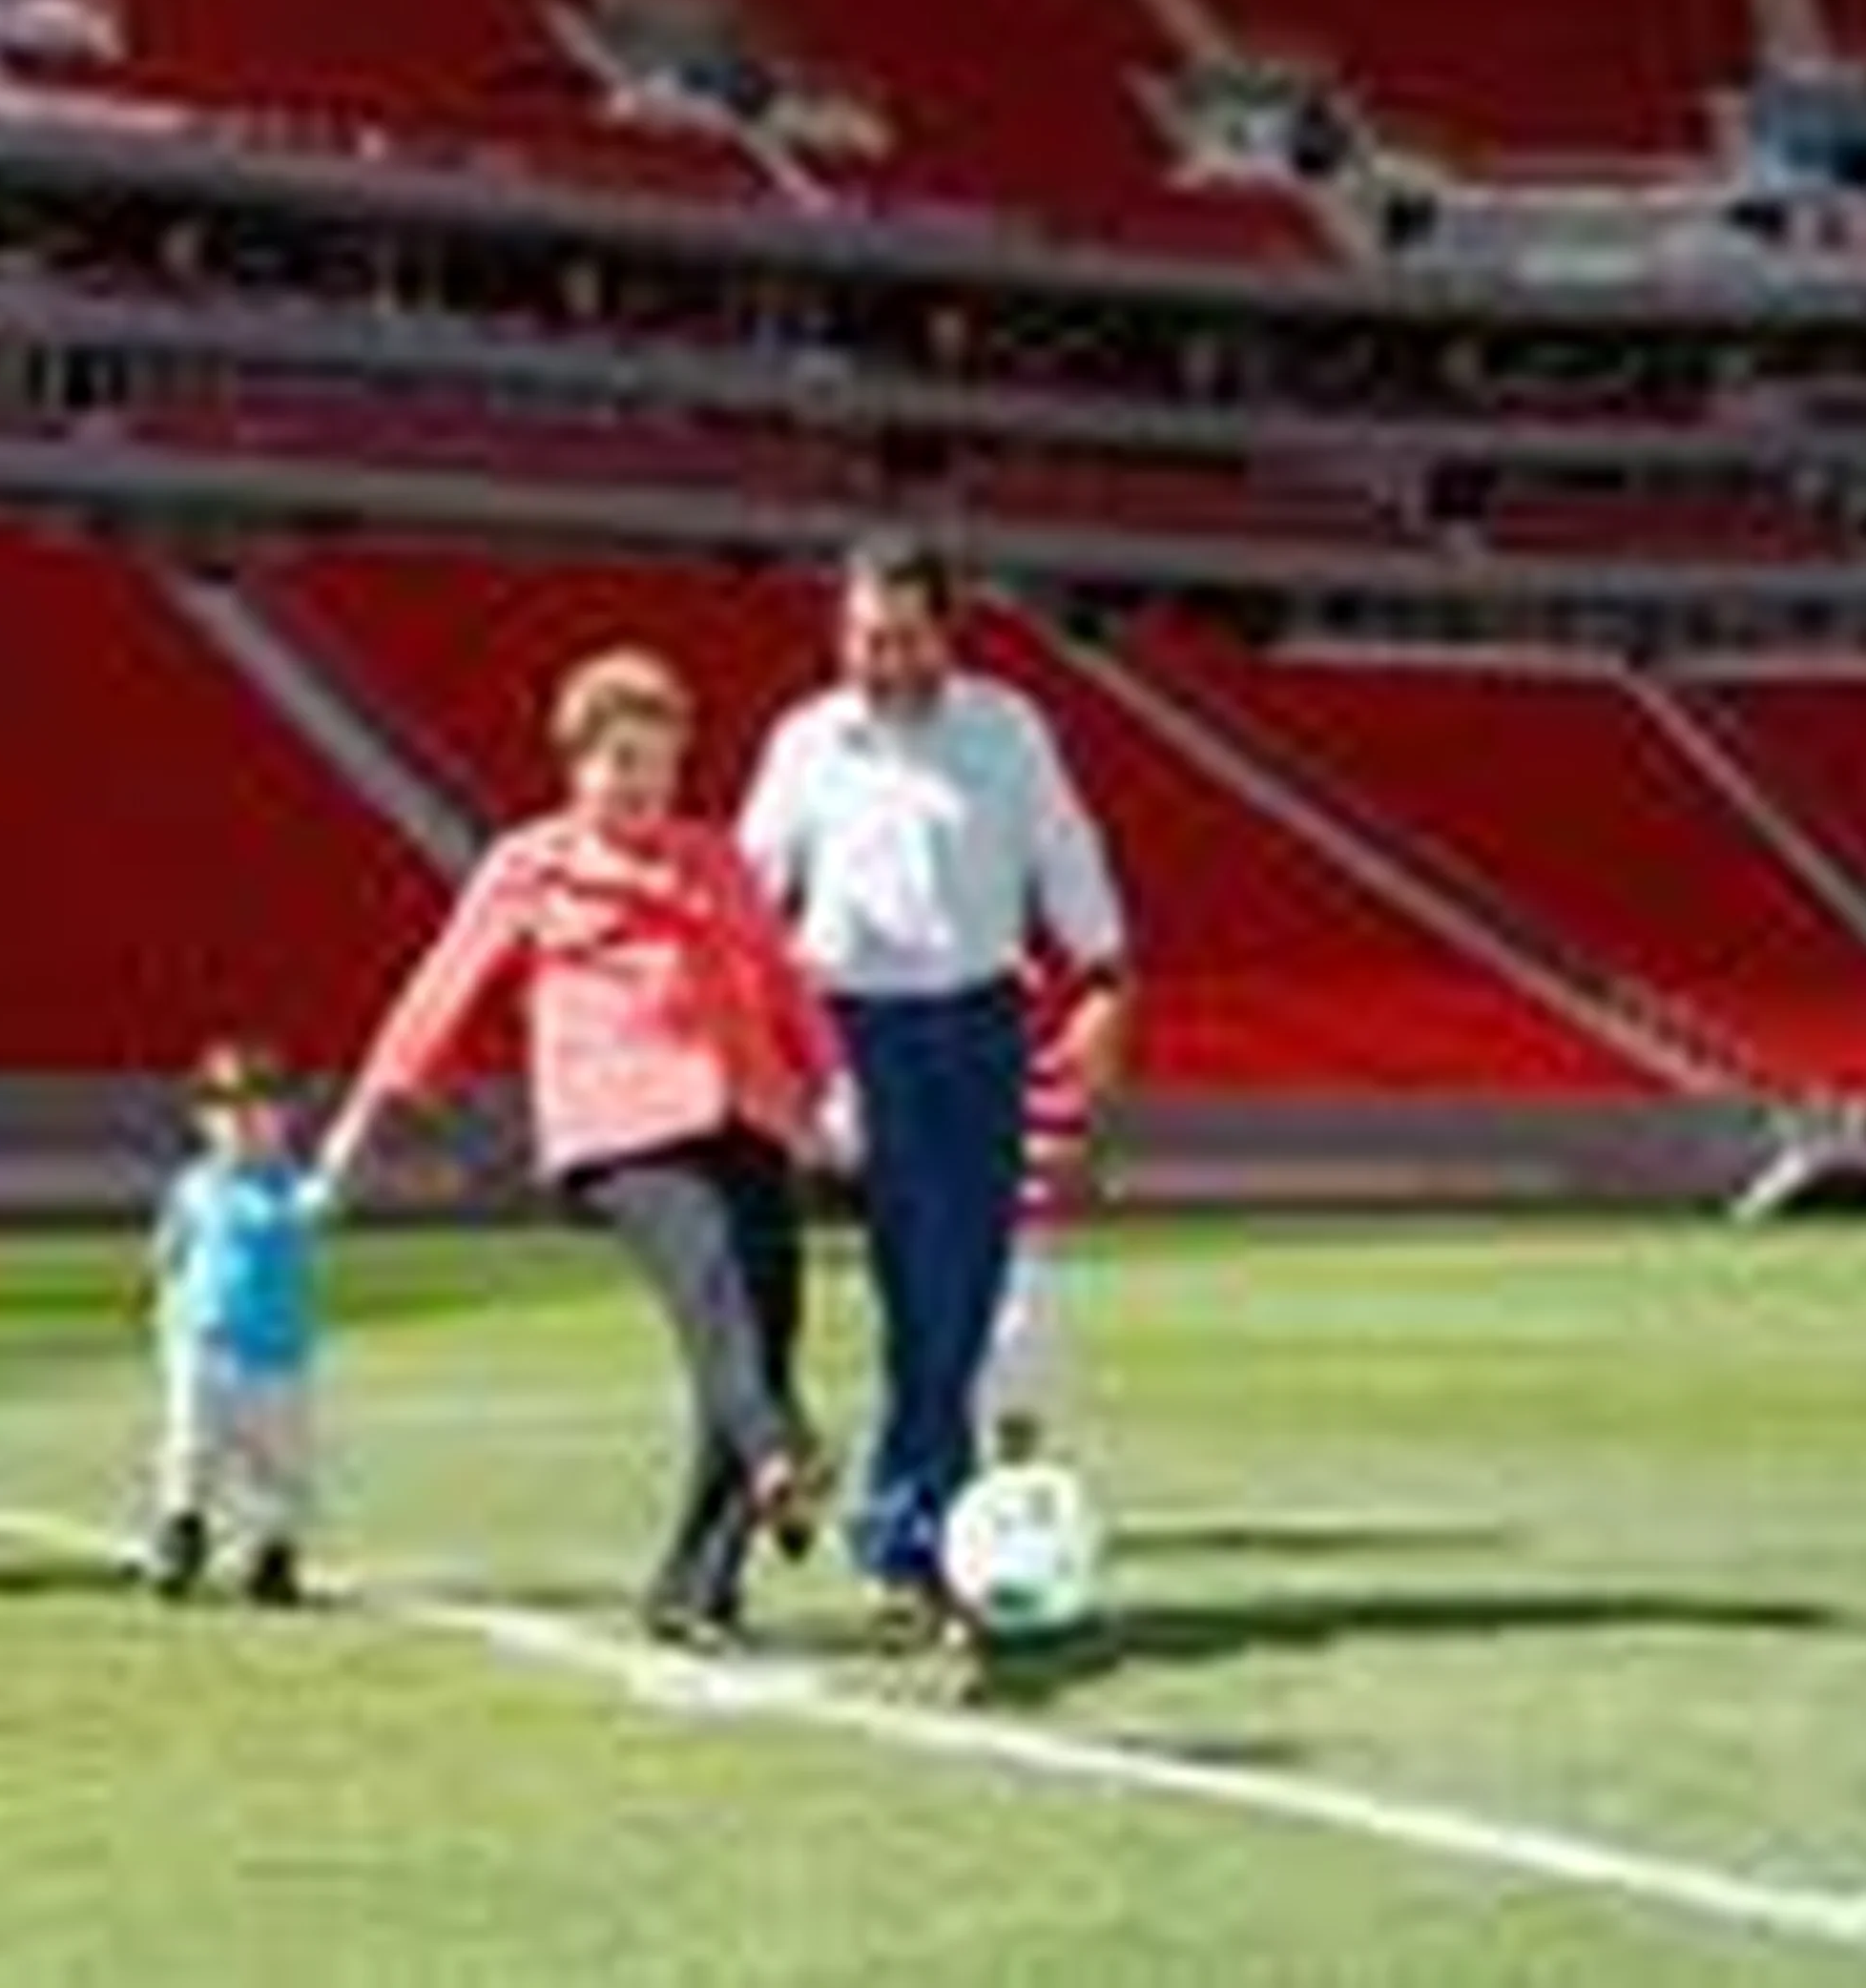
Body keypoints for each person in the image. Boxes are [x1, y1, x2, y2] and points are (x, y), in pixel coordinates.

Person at [322, 647, 843, 1652]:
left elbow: (784, 981)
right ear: (577, 764)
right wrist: (364, 1116)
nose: (641, 782)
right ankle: (787, 1452)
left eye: (658, 762)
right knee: (716, 1291)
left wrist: (829, 1089)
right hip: (620, 1129)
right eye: (620, 761)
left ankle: (696, 1587)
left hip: (748, 1115)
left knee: (754, 1343)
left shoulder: (717, 858)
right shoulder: (530, 863)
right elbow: (440, 986)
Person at [737, 535, 1129, 1629]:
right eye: (862, 636)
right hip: (851, 1029)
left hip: (982, 1030)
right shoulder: (806, 743)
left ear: (944, 633)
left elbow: (1071, 858)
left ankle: (909, 1531)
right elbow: (752, 889)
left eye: (902, 636)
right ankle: (919, 1542)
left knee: (956, 1296)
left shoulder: (1007, 729)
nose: (880, 656)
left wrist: (1102, 981)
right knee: (926, 1291)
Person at [142, 1041, 334, 1608]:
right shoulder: (194, 1186)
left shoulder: (294, 1189)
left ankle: (273, 1555)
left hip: (279, 1355)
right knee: (191, 1448)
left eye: (260, 1106)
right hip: (206, 1346)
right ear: (204, 1120)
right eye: (226, 1107)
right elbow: (167, 1256)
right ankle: (183, 1532)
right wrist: (166, 1324)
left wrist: (323, 1193)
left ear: (285, 1117)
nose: (244, 1121)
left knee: (282, 1468)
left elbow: (310, 1217)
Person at [980, 968, 1106, 1469]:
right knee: (997, 1353)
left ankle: (1012, 1471)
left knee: (1019, 1356)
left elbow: (1068, 1153)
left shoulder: (1052, 1081)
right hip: (978, 1239)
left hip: (1023, 1242)